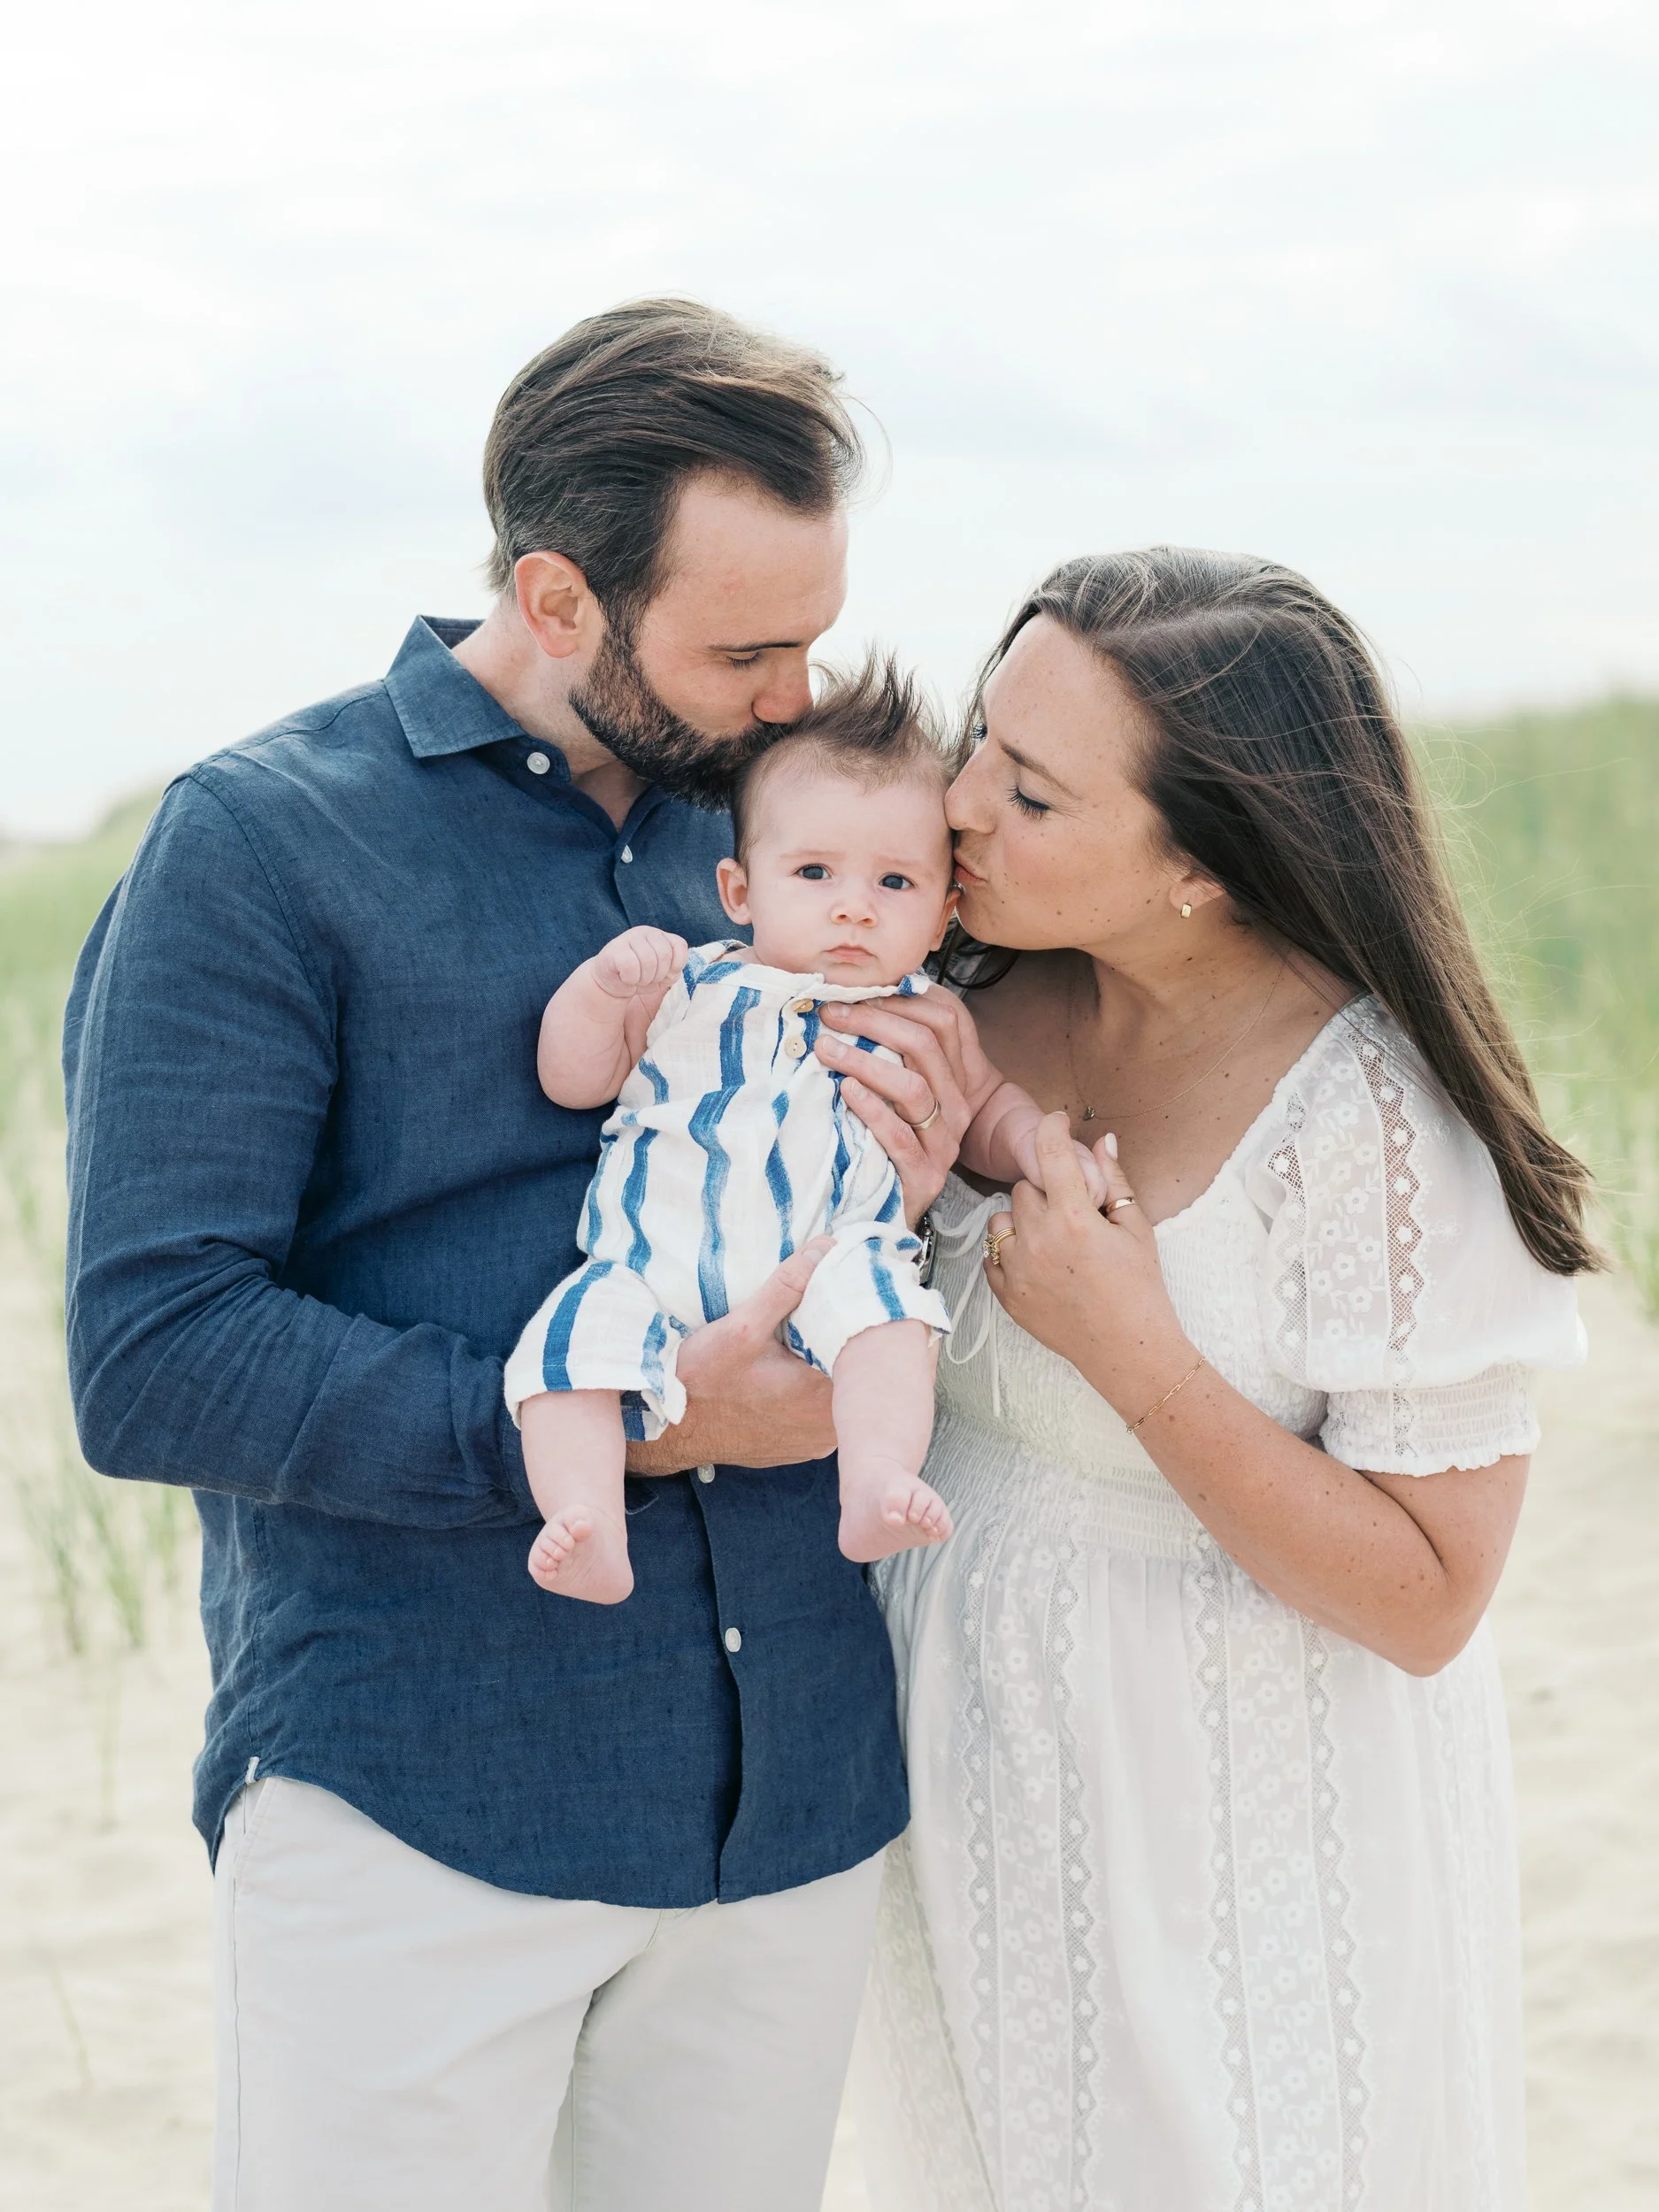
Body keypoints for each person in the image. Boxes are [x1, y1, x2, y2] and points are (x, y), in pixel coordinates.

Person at [59, 299, 972, 2212]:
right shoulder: (257, 845)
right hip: (421, 1796)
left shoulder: (797, 833)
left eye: (811, 633)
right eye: (743, 648)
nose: (793, 696)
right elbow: (156, 1351)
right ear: (557, 596)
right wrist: (627, 1433)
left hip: (785, 1799)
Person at [833, 549, 1592, 2211]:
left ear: (1200, 866)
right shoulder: (944, 1001)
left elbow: (1430, 1598)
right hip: (971, 1789)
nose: (953, 804)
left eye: (1027, 794)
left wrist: (1135, 1350)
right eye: (978, 737)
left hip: (1241, 1829)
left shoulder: (1375, 1122)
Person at [505, 660, 1110, 1600]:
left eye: (896, 880)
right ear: (739, 889)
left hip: (832, 1260)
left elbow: (986, 1112)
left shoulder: (922, 1013)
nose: (853, 905)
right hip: (645, 1270)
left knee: (890, 1319)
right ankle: (586, 1522)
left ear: (945, 912)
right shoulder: (692, 986)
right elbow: (571, 1078)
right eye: (815, 871)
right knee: (567, 1349)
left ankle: (875, 1480)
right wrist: (602, 990)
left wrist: (1038, 1148)